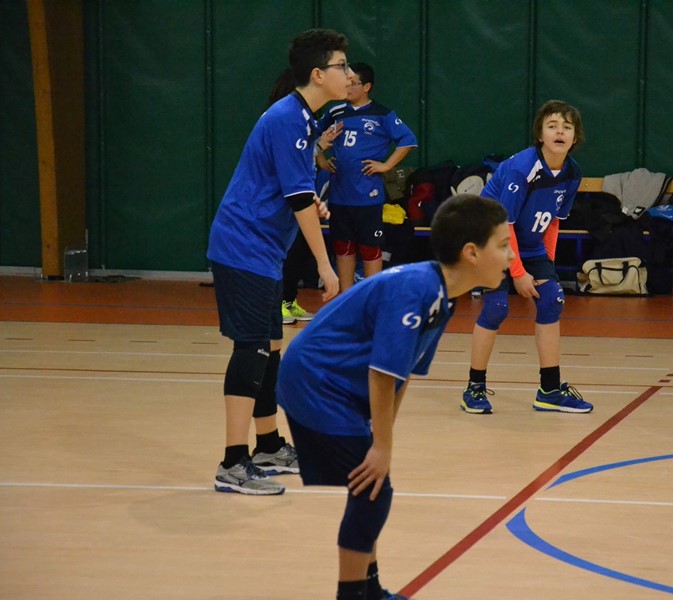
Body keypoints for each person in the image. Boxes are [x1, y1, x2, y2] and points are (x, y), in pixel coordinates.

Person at [276, 194, 514, 600]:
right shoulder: (417, 288)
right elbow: (382, 373)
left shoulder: (442, 297)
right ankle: (353, 594)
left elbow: (402, 375)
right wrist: (381, 447)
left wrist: (380, 436)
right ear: (471, 253)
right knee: (374, 489)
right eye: (503, 245)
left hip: (336, 385)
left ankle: (369, 590)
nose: (511, 256)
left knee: (371, 486)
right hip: (316, 382)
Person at [207, 28, 351, 495]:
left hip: (264, 251)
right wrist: (325, 266)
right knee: (251, 349)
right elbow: (297, 199)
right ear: (317, 74)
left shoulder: (303, 120)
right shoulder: (289, 118)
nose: (349, 74)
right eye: (342, 66)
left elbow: (295, 191)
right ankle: (233, 463)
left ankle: (268, 446)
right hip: (243, 247)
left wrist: (313, 202)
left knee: (269, 349)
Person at [461, 99, 594, 415]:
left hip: (529, 243)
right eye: (552, 126)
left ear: (575, 137)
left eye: (566, 127)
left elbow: (554, 220)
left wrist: (546, 264)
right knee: (496, 307)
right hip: (491, 240)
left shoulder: (572, 173)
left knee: (552, 300)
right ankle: (474, 388)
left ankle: (550, 390)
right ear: (540, 134)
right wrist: (519, 273)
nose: (559, 132)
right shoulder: (522, 169)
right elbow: (503, 225)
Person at [317, 62, 417, 293]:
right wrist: (321, 159)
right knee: (343, 246)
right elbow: (313, 133)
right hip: (339, 194)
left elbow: (408, 140)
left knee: (370, 247)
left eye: (354, 83)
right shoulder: (336, 111)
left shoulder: (382, 114)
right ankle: (346, 298)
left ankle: (371, 298)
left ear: (367, 87)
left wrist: (386, 165)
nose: (348, 87)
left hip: (367, 195)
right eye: (346, 82)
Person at [267, 68, 344, 325]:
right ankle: (278, 304)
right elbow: (288, 163)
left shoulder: (304, 122)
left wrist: (320, 144)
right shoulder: (283, 120)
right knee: (287, 254)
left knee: (299, 251)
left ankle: (288, 300)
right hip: (284, 205)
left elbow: (302, 158)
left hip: (300, 201)